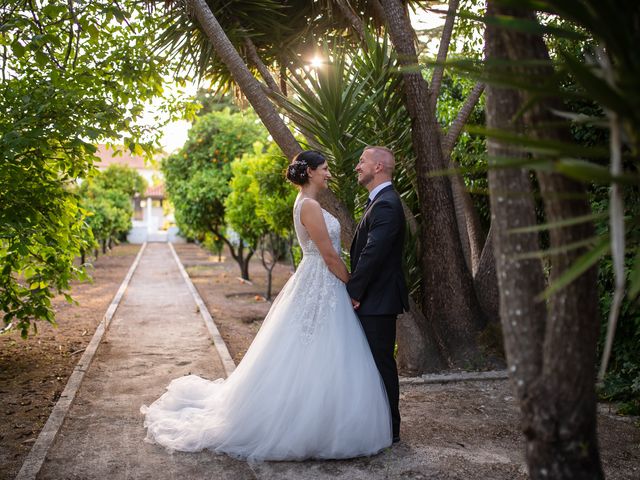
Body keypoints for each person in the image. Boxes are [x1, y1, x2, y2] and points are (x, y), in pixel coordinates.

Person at [141, 150, 392, 462]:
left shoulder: (309, 203)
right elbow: (328, 256)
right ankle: (305, 424)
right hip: (321, 279)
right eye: (325, 168)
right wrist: (354, 286)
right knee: (315, 347)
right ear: (311, 172)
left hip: (320, 283)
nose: (329, 173)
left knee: (316, 350)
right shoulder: (310, 206)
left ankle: (319, 417)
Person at [347, 146, 409, 444]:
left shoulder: (386, 204)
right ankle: (378, 425)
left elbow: (373, 253)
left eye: (362, 161)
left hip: (378, 299)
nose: (358, 166)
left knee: (382, 363)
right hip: (374, 298)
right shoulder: (378, 202)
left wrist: (354, 290)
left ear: (380, 166)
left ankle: (390, 430)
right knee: (373, 362)